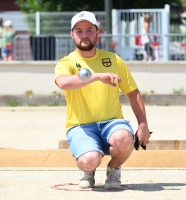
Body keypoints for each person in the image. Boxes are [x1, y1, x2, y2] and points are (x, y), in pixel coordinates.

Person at [54, 11, 150, 190]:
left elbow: (133, 92)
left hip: (112, 123)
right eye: (79, 31)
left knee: (123, 138)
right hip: (80, 125)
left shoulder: (113, 59)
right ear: (72, 34)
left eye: (89, 30)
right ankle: (87, 171)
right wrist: (97, 76)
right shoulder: (66, 62)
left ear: (98, 32)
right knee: (89, 160)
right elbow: (63, 83)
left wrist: (143, 124)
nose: (84, 35)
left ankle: (114, 169)